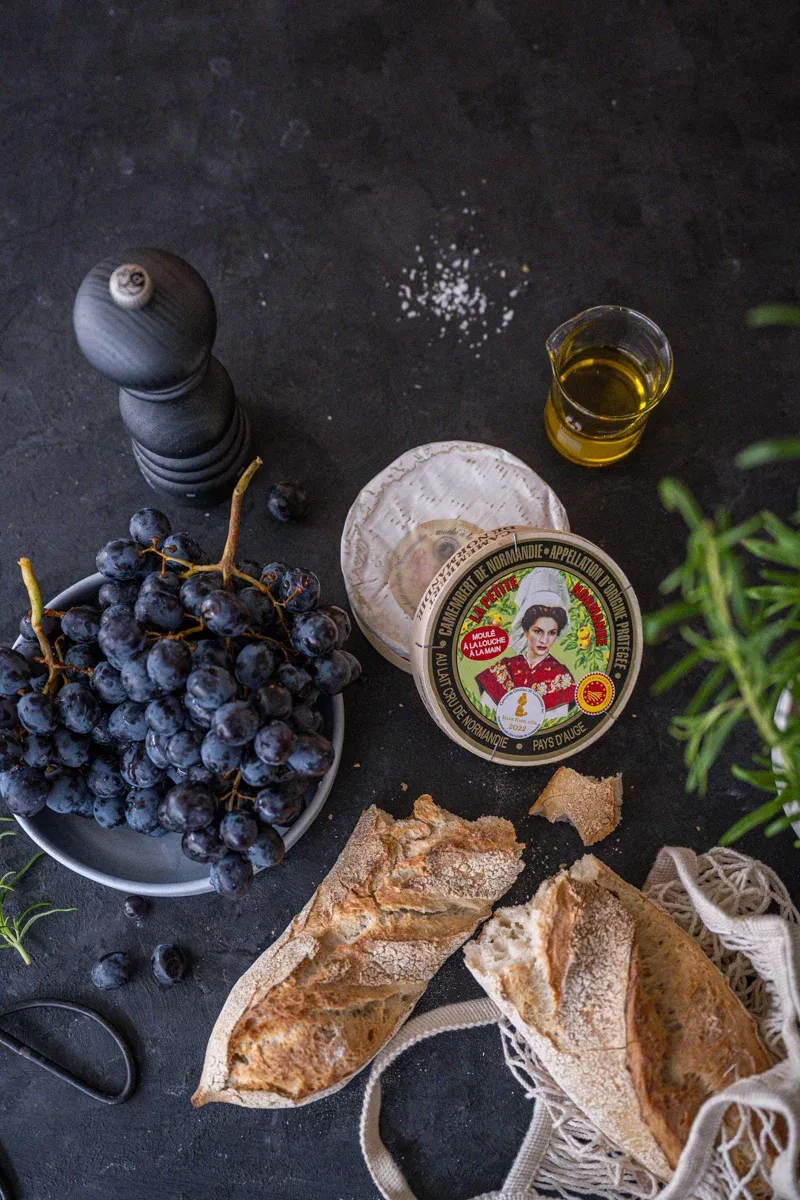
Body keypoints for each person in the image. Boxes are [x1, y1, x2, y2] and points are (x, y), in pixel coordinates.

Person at [475, 568, 576, 720]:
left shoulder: (561, 676)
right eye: (538, 631)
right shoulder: (504, 668)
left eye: (552, 633)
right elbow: (485, 714)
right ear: (526, 631)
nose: (544, 640)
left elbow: (554, 725)